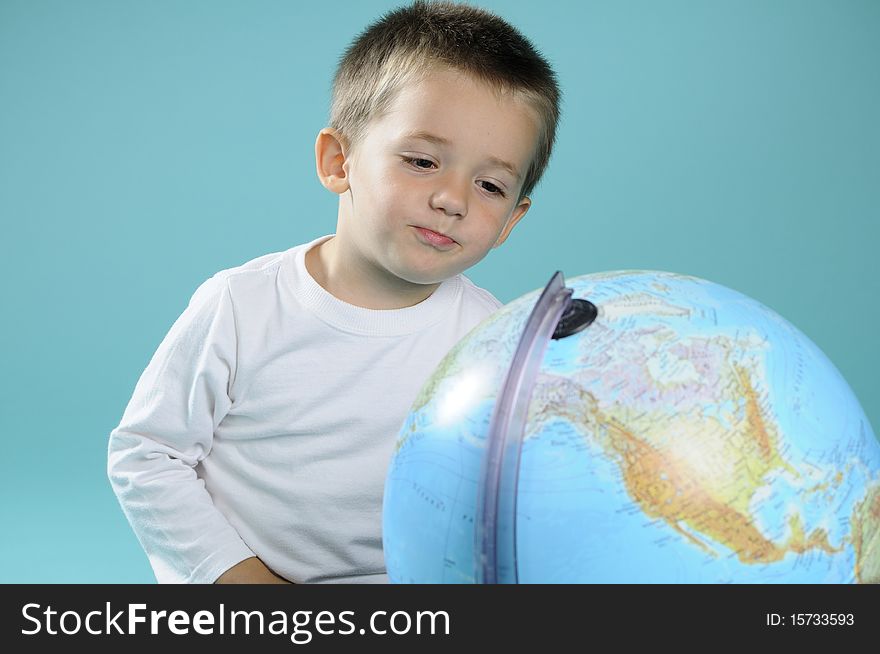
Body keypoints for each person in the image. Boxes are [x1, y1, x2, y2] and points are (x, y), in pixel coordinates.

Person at [107, 0, 561, 584]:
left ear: (511, 221)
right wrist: (237, 578)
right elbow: (146, 456)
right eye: (423, 160)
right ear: (338, 160)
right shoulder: (242, 306)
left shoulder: (492, 340)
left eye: (490, 185)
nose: (454, 198)